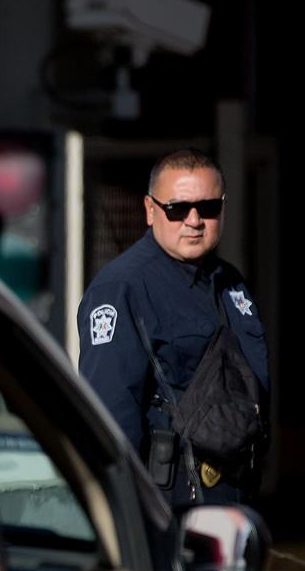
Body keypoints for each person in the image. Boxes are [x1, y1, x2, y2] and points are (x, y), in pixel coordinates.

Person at [77, 148, 270, 507]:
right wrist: (127, 511)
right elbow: (111, 411)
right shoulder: (122, 288)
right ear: (150, 211)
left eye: (208, 208)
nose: (194, 220)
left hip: (232, 493)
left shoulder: (230, 284)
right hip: (168, 501)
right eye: (177, 209)